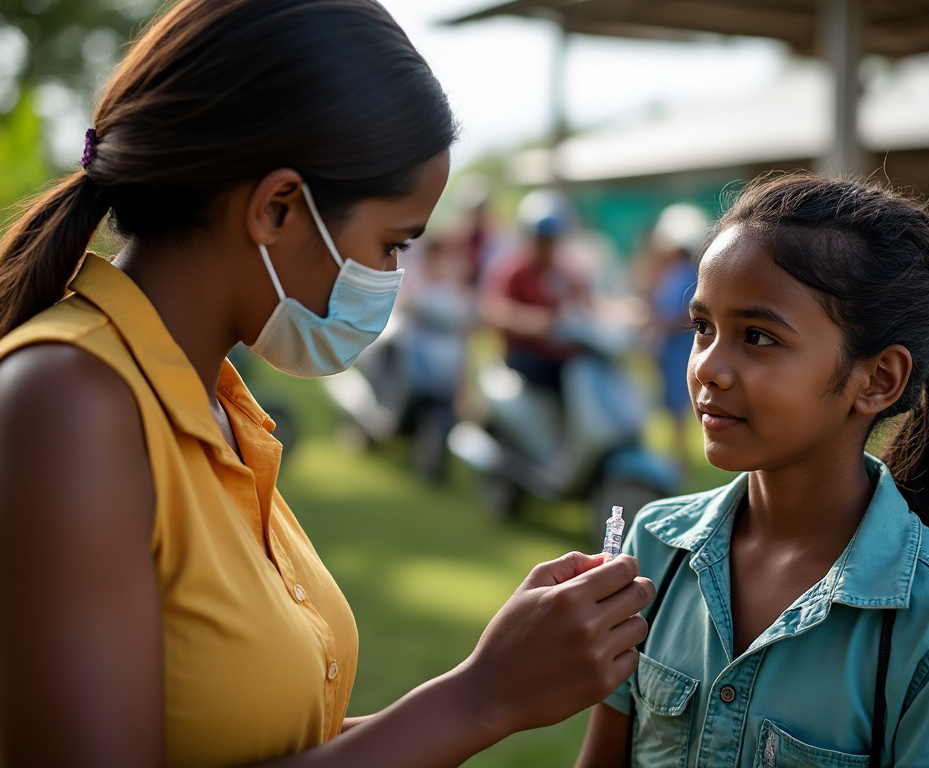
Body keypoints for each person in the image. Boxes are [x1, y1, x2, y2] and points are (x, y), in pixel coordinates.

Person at [0, 2, 655, 765]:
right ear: (278, 208)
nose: (392, 278)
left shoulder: (213, 405)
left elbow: (255, 741)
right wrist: (482, 696)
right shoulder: (70, 407)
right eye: (391, 244)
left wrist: (495, 678)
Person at [575, 173, 929, 768]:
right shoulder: (656, 550)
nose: (708, 367)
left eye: (758, 337)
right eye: (703, 327)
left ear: (877, 379)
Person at [480, 188, 592, 394]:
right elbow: (495, 312)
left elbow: (589, 306)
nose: (546, 245)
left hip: (567, 360)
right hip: (528, 359)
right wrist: (539, 324)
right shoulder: (513, 271)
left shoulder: (568, 272)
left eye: (551, 238)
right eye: (541, 238)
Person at [645, 203, 708, 464]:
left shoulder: (686, 273)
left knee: (680, 405)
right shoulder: (676, 272)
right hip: (672, 345)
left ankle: (679, 458)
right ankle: (676, 455)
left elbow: (686, 312)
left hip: (680, 345)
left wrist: (661, 325)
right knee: (673, 407)